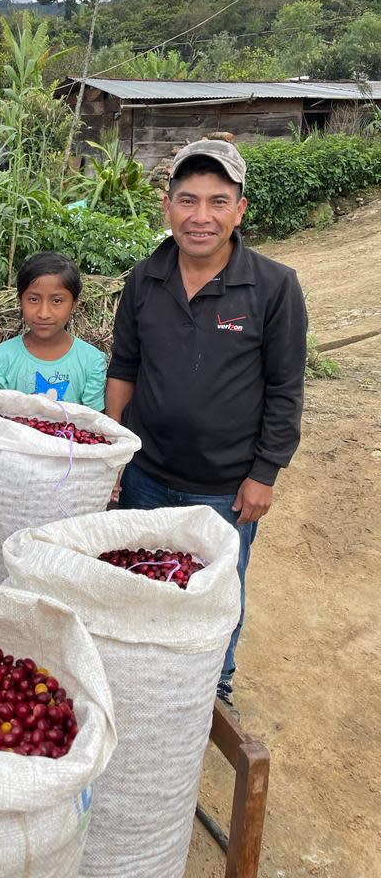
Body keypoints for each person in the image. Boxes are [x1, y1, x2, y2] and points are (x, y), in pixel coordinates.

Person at [105, 139, 308, 710]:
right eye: (187, 200)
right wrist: (116, 454)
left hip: (225, 485)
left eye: (217, 201)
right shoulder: (145, 279)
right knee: (139, 578)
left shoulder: (273, 286)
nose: (201, 217)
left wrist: (264, 473)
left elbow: (285, 388)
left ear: (240, 210)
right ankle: (141, 677)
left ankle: (214, 684)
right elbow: (125, 366)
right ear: (167, 206)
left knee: (216, 590)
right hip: (145, 474)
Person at [0, 251, 106, 410]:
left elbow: (92, 422)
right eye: (33, 299)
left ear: (74, 304)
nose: (44, 313)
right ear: (20, 301)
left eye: (57, 300)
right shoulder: (1, 359)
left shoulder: (92, 361)